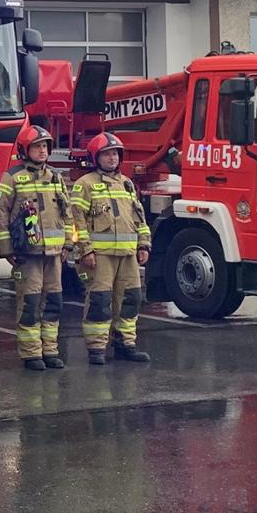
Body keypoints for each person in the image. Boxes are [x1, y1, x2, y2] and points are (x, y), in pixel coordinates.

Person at [70, 132, 153, 365]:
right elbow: (77, 221)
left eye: (115, 153)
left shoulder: (126, 184)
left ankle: (126, 344)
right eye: (106, 154)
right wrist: (85, 250)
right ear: (95, 157)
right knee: (100, 300)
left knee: (130, 299)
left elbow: (139, 218)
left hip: (127, 255)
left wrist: (143, 245)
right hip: (101, 256)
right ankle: (96, 348)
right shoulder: (84, 185)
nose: (112, 158)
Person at [0, 124, 72, 371]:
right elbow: (2, 213)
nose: (42, 151)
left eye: (45, 146)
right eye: (37, 146)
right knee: (29, 303)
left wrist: (68, 244)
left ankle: (50, 350)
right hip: (27, 253)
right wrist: (7, 249)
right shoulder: (12, 177)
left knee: (53, 302)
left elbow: (67, 214)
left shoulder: (56, 177)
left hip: (54, 253)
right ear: (24, 149)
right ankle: (30, 353)